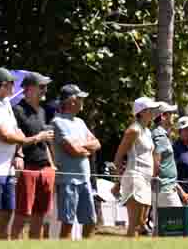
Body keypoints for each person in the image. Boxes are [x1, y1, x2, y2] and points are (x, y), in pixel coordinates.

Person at [0, 68, 41, 240]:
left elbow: (15, 130)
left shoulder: (5, 103)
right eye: (12, 83)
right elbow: (4, 135)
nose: (15, 87)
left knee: (8, 210)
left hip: (8, 168)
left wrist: (19, 153)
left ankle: (2, 246)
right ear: (4, 85)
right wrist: (32, 139)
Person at [8, 70, 56, 239]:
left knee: (40, 214)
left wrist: (51, 166)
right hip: (28, 168)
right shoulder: (17, 110)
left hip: (45, 169)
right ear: (28, 89)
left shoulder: (42, 111)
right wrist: (37, 138)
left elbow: (46, 142)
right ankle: (13, 248)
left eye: (45, 87)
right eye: (41, 86)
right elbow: (15, 139)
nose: (45, 90)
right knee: (22, 214)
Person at [49, 84, 100, 239]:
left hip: (84, 179)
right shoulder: (57, 122)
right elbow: (73, 150)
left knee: (91, 221)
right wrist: (85, 147)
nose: (82, 101)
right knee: (68, 222)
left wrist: (81, 145)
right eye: (80, 98)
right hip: (67, 181)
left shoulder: (80, 122)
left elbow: (97, 144)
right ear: (71, 101)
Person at [111, 97, 159, 239]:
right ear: (142, 112)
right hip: (134, 177)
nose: (153, 112)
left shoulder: (147, 131)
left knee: (141, 222)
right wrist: (118, 182)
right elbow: (118, 157)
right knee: (135, 224)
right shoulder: (133, 130)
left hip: (145, 179)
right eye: (150, 110)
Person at [151, 105, 186, 211]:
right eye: (171, 113)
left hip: (166, 189)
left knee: (163, 226)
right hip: (164, 190)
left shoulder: (162, 135)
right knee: (178, 225)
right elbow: (156, 162)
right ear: (163, 116)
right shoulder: (160, 135)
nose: (174, 116)